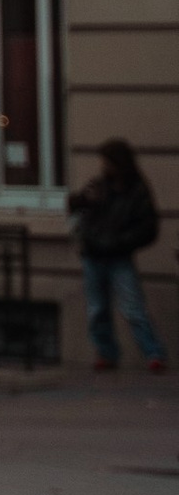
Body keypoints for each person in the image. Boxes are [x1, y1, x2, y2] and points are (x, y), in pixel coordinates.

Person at [69, 140, 167, 374]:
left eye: (107, 161)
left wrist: (120, 243)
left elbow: (147, 227)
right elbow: (79, 210)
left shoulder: (136, 191)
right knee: (97, 309)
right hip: (93, 254)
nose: (103, 166)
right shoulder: (99, 185)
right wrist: (79, 202)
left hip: (118, 256)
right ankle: (106, 353)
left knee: (133, 308)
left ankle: (153, 353)